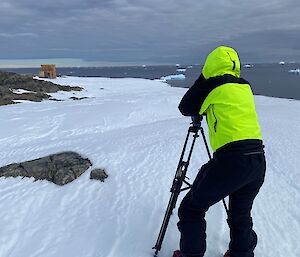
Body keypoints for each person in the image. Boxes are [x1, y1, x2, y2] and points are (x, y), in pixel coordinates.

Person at [175, 46, 266, 257]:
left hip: (232, 160)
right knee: (240, 213)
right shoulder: (244, 86)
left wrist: (203, 79)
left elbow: (186, 107)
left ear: (210, 66)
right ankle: (241, 253)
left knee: (191, 209)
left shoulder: (213, 85)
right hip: (258, 160)